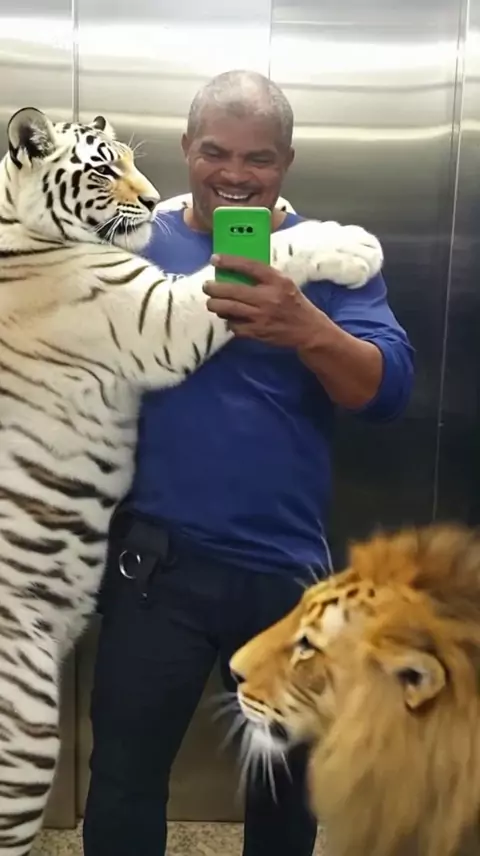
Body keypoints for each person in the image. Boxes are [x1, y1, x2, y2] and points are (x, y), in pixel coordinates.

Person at [82, 70, 415, 856]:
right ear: (185, 149)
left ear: (286, 161)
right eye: (215, 152)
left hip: (285, 576)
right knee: (124, 778)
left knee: (286, 796)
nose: (235, 174)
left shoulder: (332, 258)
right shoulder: (131, 241)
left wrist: (307, 326)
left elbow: (387, 392)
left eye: (258, 158)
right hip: (154, 570)